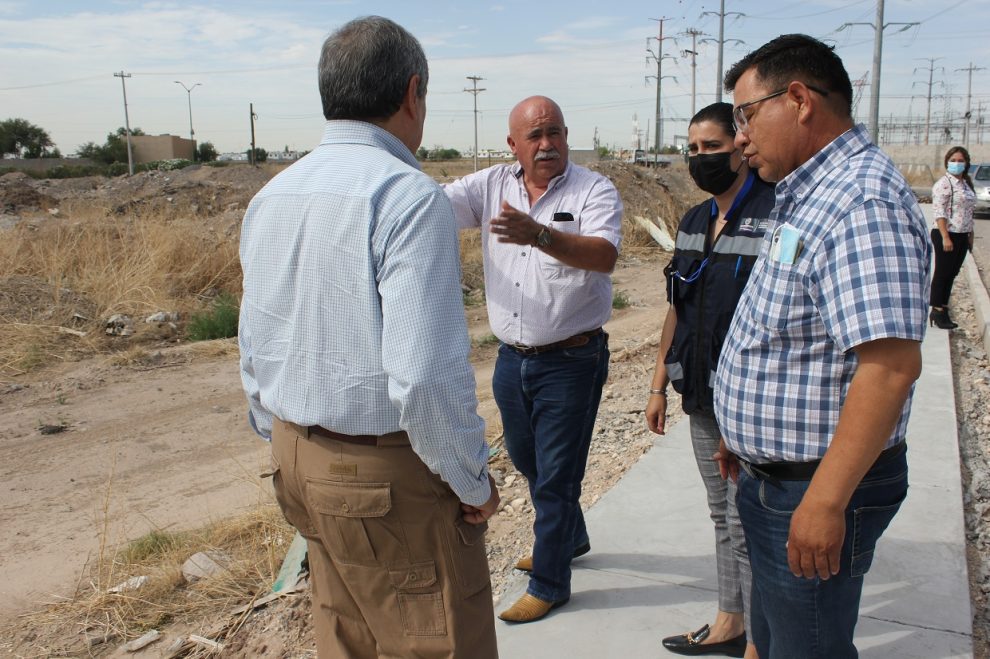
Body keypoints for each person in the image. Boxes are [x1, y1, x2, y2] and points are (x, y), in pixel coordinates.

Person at [237, 16, 499, 658]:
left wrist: (282, 438)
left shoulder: (273, 195)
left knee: (346, 635)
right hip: (381, 480)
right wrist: (472, 481)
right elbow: (422, 379)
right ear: (413, 93)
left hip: (296, 456)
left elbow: (255, 340)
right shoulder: (407, 196)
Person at [713, 34, 931, 659]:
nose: (740, 138)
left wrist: (825, 502)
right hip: (777, 479)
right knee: (775, 638)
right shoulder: (811, 192)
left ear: (800, 99)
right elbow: (789, 333)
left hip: (810, 488)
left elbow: (889, 368)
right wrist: (740, 431)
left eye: (746, 115)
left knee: (807, 647)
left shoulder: (861, 203)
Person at [444, 95, 622, 623]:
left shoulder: (593, 189)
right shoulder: (490, 186)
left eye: (555, 133)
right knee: (528, 460)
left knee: (557, 476)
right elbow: (432, 205)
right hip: (511, 360)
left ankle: (550, 582)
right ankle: (570, 536)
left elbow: (605, 255)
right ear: (513, 144)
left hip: (572, 361)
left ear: (566, 136)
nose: (547, 145)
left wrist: (540, 234)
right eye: (535, 136)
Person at [646, 102, 771, 659]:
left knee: (749, 521)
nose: (701, 158)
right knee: (722, 512)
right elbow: (678, 306)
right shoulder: (695, 221)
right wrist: (657, 384)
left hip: (749, 401)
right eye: (693, 149)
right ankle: (730, 619)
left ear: (740, 146)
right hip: (700, 395)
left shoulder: (773, 214)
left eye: (712, 147)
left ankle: (760, 639)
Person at [929, 145, 976, 329]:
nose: (957, 163)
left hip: (962, 234)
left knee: (952, 273)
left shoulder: (965, 184)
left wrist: (970, 234)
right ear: (947, 162)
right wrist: (945, 236)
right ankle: (937, 309)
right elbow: (939, 212)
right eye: (953, 160)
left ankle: (944, 307)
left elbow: (969, 211)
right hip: (947, 234)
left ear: (966, 163)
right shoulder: (944, 184)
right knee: (942, 272)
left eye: (960, 161)